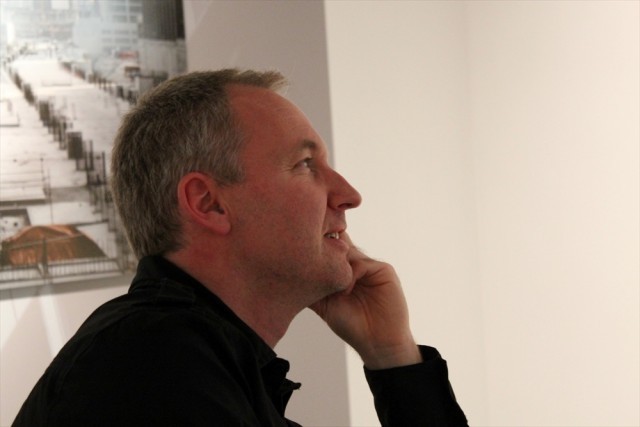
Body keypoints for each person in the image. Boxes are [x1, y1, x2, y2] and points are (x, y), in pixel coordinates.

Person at [13, 69, 468, 426]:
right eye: (305, 164)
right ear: (209, 203)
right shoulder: (150, 364)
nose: (349, 194)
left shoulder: (189, 356)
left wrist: (392, 354)